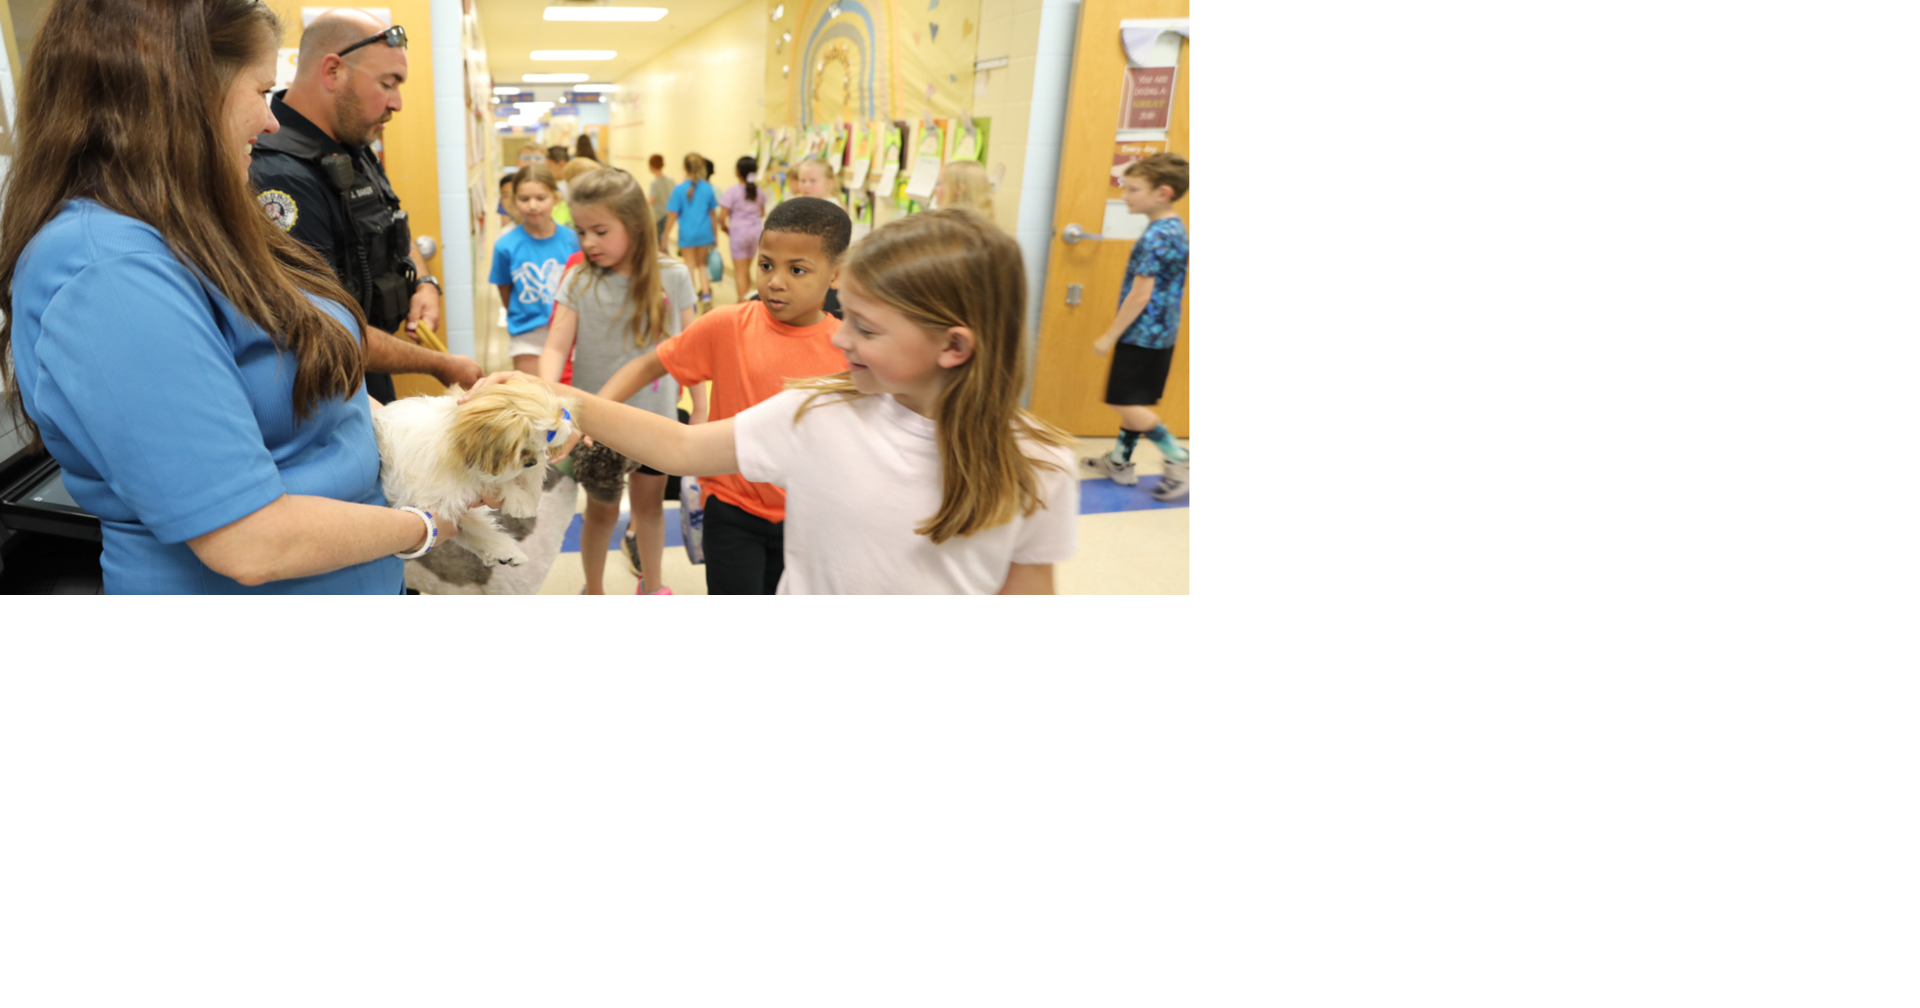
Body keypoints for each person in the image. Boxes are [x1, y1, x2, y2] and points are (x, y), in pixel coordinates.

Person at [1, 0, 478, 594]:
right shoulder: (108, 272)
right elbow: (248, 540)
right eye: (260, 89)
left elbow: (307, 375)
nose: (272, 119)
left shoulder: (198, 223)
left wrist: (438, 432)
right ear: (180, 92)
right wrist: (427, 527)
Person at [461, 208, 1077, 594]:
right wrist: (558, 395)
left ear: (954, 345)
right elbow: (679, 446)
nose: (839, 337)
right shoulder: (819, 412)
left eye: (865, 327)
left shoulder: (1042, 465)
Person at [583, 197, 853, 594]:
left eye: (797, 270)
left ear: (835, 275)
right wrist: (592, 414)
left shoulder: (848, 349)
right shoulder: (728, 325)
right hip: (733, 510)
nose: (775, 281)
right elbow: (649, 364)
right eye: (766, 265)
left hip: (811, 516)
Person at [247, 7, 479, 404]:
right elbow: (323, 326)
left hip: (370, 375)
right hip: (325, 397)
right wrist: (440, 364)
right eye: (388, 83)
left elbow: (391, 222)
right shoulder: (280, 174)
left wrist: (424, 282)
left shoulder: (352, 142)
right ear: (333, 72)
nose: (398, 103)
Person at [540, 169, 699, 595]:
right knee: (601, 513)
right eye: (581, 231)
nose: (588, 242)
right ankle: (593, 587)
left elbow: (692, 349)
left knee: (648, 510)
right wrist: (546, 396)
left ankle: (655, 584)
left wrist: (700, 406)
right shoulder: (579, 279)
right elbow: (556, 345)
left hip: (657, 422)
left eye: (600, 231)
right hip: (597, 427)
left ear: (633, 225)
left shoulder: (674, 276)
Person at [1083, 153, 1191, 502]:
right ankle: (1119, 461)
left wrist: (1110, 334)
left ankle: (1180, 458)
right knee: (1133, 398)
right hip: (1161, 333)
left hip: (1141, 334)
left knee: (1124, 402)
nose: (1124, 195)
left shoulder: (1155, 237)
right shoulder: (1173, 227)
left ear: (1162, 192)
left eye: (1133, 189)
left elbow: (1140, 294)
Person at [491, 163, 580, 375]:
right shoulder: (506, 245)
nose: (532, 206)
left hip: (569, 331)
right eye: (524, 199)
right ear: (513, 201)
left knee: (569, 399)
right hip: (527, 334)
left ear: (555, 198)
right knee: (534, 399)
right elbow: (505, 290)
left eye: (541, 198)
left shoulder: (573, 240)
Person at [664, 153, 722, 309]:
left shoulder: (679, 189)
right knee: (702, 265)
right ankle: (706, 296)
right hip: (705, 234)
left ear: (685, 167)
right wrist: (715, 236)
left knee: (689, 265)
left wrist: (665, 234)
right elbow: (712, 215)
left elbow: (672, 215)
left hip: (687, 235)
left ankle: (692, 302)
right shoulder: (707, 188)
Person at [719, 156, 771, 302]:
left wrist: (724, 228)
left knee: (740, 272)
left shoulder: (732, 191)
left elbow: (722, 217)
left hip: (738, 234)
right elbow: (761, 212)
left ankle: (742, 305)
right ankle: (744, 300)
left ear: (737, 172)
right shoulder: (759, 191)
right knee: (746, 270)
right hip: (755, 233)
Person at [648, 154, 675, 246]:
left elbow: (651, 201)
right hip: (669, 216)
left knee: (659, 244)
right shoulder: (670, 180)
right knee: (664, 241)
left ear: (651, 166)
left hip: (658, 217)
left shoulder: (654, 183)